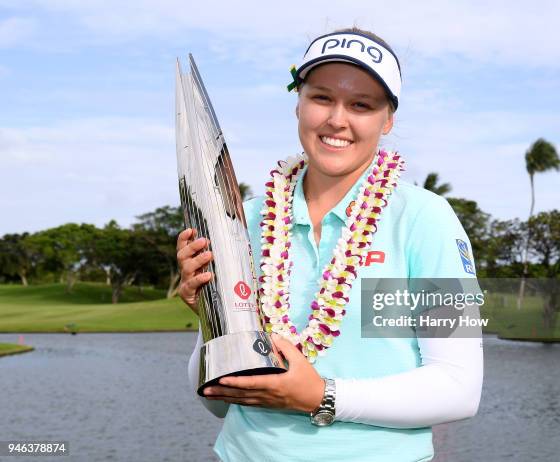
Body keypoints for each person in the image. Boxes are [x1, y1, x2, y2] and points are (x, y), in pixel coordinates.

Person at [176, 27, 483, 462]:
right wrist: (212, 318)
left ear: (388, 119)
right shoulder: (246, 216)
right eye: (321, 97)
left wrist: (321, 395)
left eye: (362, 104)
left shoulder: (424, 220)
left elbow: (459, 388)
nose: (337, 119)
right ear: (298, 102)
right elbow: (216, 402)